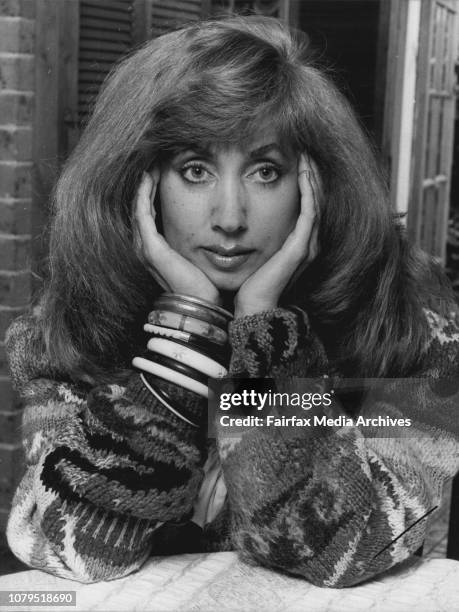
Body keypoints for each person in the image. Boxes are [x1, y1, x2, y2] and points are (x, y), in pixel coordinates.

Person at [5, 15, 459, 587]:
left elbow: (356, 547)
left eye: (265, 171)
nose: (229, 218)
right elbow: (80, 550)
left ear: (313, 182)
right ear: (138, 184)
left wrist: (263, 340)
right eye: (194, 170)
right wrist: (186, 333)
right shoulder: (65, 332)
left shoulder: (411, 327)